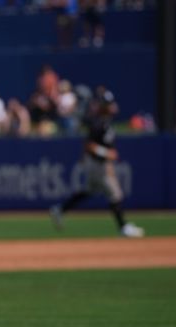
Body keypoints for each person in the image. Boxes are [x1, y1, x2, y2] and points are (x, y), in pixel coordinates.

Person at [50, 88, 144, 238]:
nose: (113, 106)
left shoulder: (105, 121)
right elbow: (89, 145)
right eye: (109, 104)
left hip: (97, 163)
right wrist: (106, 153)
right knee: (115, 193)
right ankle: (123, 227)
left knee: (89, 190)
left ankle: (60, 209)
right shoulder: (99, 122)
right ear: (104, 106)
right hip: (97, 164)